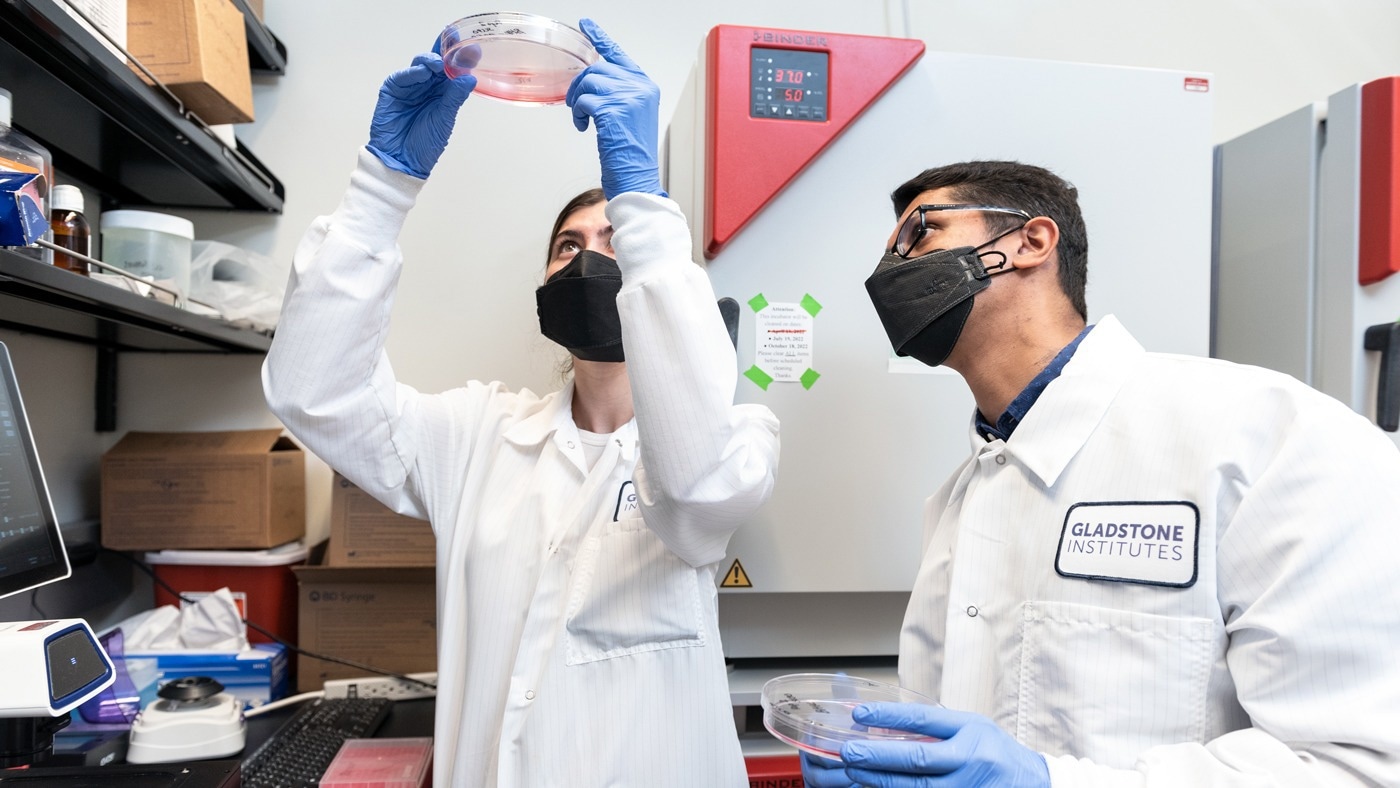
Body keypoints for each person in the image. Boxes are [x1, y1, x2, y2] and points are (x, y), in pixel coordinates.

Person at [262, 19, 779, 787]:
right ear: (544, 287)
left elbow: (693, 483)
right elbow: (316, 391)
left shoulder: (739, 436)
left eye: (615, 240)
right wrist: (381, 187)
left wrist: (644, 200)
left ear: (652, 278)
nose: (587, 257)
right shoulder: (478, 434)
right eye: (568, 246)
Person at [804, 160, 1400, 786]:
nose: (890, 273)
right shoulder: (958, 498)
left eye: (917, 235)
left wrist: (1049, 782)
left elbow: (1355, 764)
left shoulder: (1270, 438)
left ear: (1031, 242)